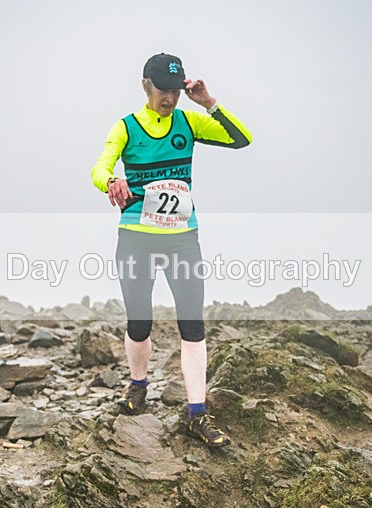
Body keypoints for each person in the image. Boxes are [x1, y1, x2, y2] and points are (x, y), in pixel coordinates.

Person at [91, 53, 252, 447]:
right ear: (146, 85)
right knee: (139, 323)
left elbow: (241, 139)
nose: (170, 98)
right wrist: (111, 180)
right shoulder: (126, 127)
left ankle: (197, 414)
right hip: (136, 239)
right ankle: (137, 386)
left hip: (182, 239)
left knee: (192, 326)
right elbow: (98, 168)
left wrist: (209, 103)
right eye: (163, 90)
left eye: (175, 91)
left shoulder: (189, 121)